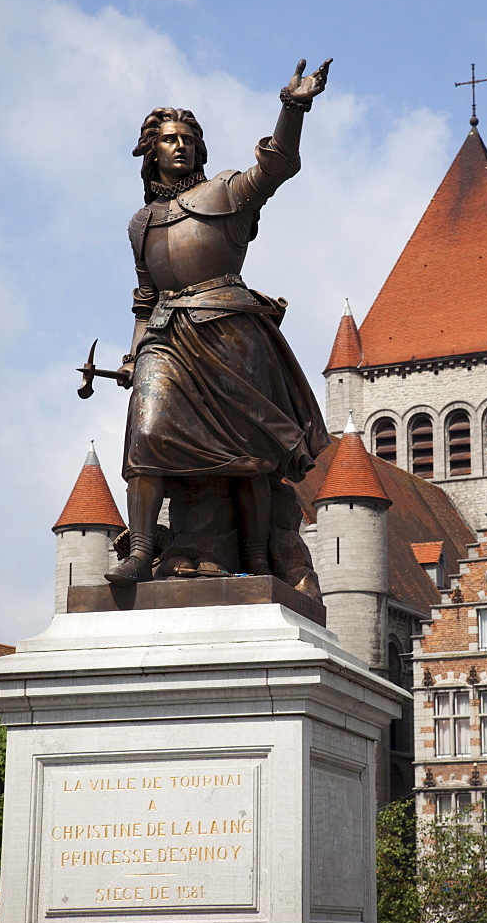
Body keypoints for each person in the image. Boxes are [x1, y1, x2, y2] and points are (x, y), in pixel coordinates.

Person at [106, 58, 332, 587]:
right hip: (167, 338)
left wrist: (293, 107)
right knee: (146, 432)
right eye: (168, 139)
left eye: (188, 138)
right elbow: (145, 298)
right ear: (150, 150)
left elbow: (278, 165)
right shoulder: (141, 223)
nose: (179, 146)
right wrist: (135, 353)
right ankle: (141, 551)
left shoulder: (225, 193)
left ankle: (257, 559)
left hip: (231, 329)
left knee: (249, 456)